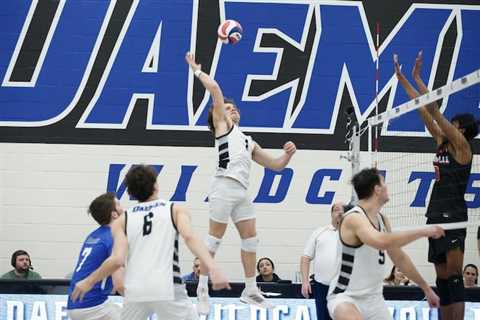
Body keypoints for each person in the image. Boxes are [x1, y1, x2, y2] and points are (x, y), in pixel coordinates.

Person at [185, 52, 296, 314]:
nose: (230, 109)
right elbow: (214, 88)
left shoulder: (248, 140)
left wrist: (288, 154)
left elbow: (275, 165)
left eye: (234, 107)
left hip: (242, 192)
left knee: (251, 240)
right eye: (226, 107)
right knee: (213, 241)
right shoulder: (223, 128)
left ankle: (250, 290)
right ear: (218, 116)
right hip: (223, 186)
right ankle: (202, 287)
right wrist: (197, 70)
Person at [71, 165, 230, 320]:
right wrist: (213, 267)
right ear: (156, 185)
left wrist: (88, 281)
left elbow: (117, 260)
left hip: (137, 289)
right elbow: (190, 238)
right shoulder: (175, 209)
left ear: (131, 193)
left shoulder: (123, 220)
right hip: (167, 286)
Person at [394, 51, 479, 320]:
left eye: (453, 123)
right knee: (441, 277)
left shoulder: (463, 147)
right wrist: (403, 79)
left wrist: (419, 77)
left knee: (454, 276)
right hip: (434, 212)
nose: (447, 124)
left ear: (461, 129)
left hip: (453, 214)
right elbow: (423, 109)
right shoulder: (441, 143)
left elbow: (433, 109)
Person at [327, 168, 443, 320]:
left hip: (375, 300)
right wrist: (423, 231)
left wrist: (426, 289)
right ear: (377, 189)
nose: (387, 187)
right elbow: (381, 242)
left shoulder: (382, 219)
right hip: (345, 298)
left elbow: (399, 258)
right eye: (384, 183)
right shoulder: (353, 218)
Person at [66, 192, 125, 320]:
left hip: (75, 304)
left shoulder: (94, 236)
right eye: (119, 205)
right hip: (92, 306)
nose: (123, 208)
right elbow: (119, 284)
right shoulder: (114, 237)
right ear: (114, 214)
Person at [300, 202, 352, 320]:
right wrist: (305, 282)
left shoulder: (353, 234)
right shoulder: (319, 232)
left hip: (346, 287)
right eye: (337, 210)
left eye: (343, 210)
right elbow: (305, 257)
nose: (340, 212)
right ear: (331, 214)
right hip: (322, 286)